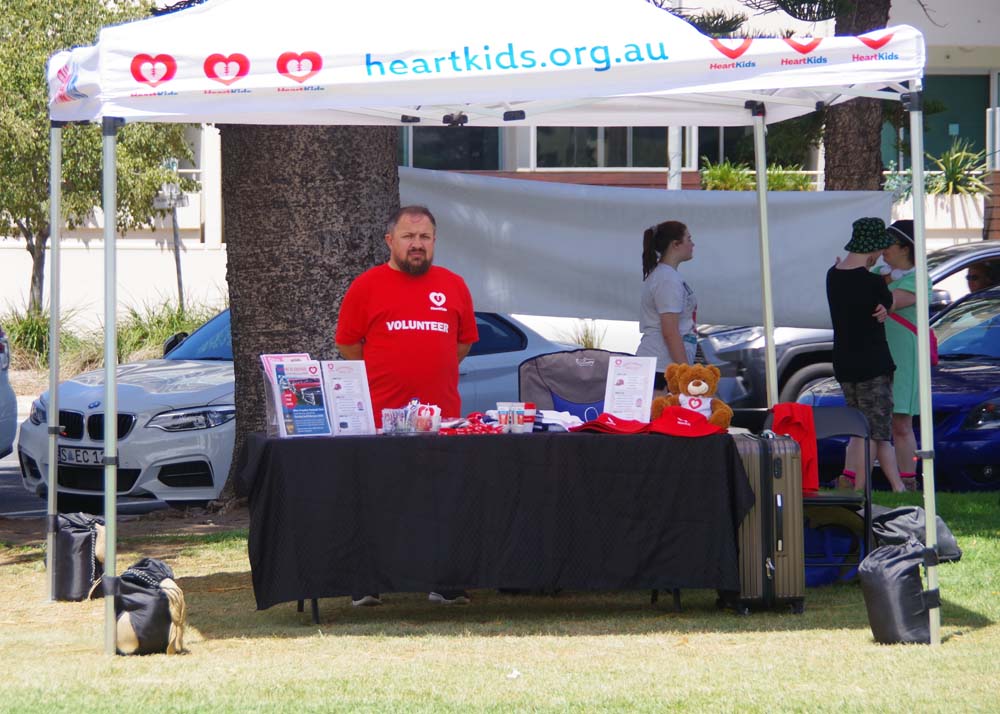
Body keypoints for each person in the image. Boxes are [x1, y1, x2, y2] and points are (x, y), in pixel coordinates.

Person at [335, 205, 479, 607]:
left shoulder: (454, 285)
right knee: (380, 500)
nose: (417, 244)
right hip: (381, 417)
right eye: (408, 237)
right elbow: (348, 344)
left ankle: (445, 582)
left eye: (425, 237)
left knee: (442, 501)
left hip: (442, 419)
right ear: (390, 241)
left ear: (434, 241)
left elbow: (463, 343)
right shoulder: (366, 286)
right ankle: (369, 582)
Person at [826, 217, 907, 493]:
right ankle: (862, 491)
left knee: (867, 429)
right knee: (874, 431)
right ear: (873, 248)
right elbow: (885, 301)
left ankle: (898, 487)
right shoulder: (873, 282)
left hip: (844, 362)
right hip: (873, 364)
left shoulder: (832, 275)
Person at [881, 219, 925, 492]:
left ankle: (908, 482)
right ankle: (852, 481)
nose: (882, 248)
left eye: (888, 243)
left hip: (904, 358)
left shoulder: (918, 279)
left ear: (905, 248)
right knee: (868, 422)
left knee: (901, 423)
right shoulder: (876, 271)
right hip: (875, 354)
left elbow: (890, 301)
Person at [635, 221, 697, 391]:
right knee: (662, 408)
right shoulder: (667, 279)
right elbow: (670, 332)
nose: (693, 244)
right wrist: (687, 372)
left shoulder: (667, 276)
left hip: (664, 365)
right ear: (675, 244)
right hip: (661, 368)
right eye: (688, 239)